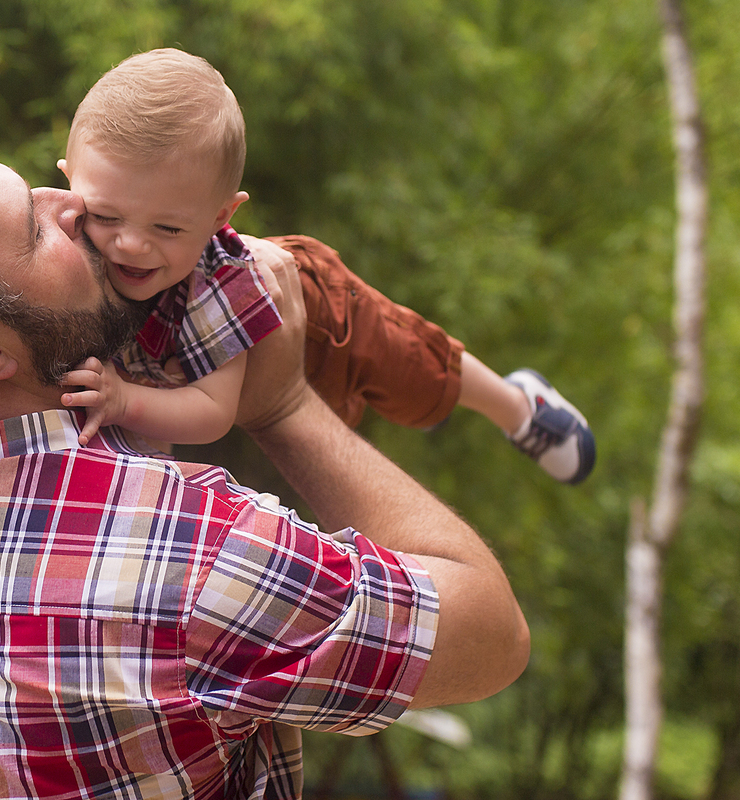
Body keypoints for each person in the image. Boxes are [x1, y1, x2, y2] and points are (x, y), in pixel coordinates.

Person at [0, 126, 529, 799]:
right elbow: (493, 637)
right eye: (34, 230)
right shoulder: (193, 557)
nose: (72, 207)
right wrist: (283, 404)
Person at [56, 48, 596, 485]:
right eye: (106, 215)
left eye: (168, 229)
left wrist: (123, 400)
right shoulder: (60, 241)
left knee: (416, 379)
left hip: (322, 320)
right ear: (67, 184)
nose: (129, 246)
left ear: (222, 216)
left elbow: (211, 411)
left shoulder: (214, 288)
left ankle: (519, 407)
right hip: (210, 371)